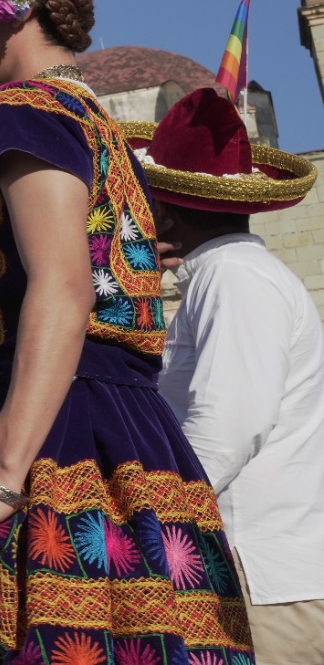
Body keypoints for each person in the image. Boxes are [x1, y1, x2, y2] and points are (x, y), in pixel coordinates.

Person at [0, 0, 251, 663]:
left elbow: (64, 287)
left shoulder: (25, 110)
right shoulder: (92, 122)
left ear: (14, 3)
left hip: (56, 440)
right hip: (121, 435)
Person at [123, 86, 324, 664]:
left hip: (262, 579)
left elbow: (228, 426)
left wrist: (148, 528)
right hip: (262, 573)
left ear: (163, 213)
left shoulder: (233, 276)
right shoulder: (228, 275)